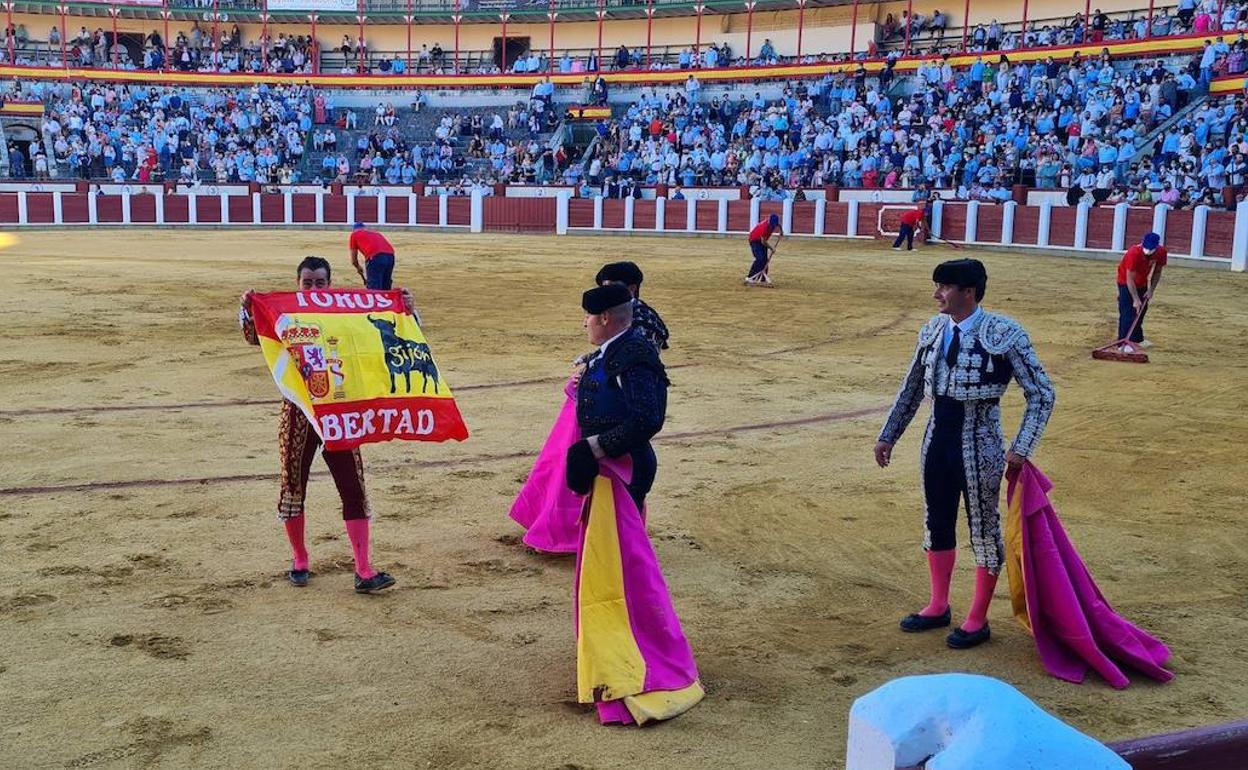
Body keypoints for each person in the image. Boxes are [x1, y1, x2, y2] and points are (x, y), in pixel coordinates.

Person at [874, 259, 1056, 650]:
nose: (936, 294)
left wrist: (1021, 449)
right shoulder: (934, 330)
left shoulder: (1005, 334)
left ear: (968, 292)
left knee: (983, 529)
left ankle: (978, 617)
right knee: (936, 520)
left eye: (944, 287)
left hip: (982, 442)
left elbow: (1042, 393)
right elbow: (911, 390)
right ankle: (938, 604)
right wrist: (888, 435)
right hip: (937, 439)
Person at [564, 283, 702, 725]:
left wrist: (597, 448)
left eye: (588, 317)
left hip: (620, 472)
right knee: (617, 569)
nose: (585, 323)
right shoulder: (616, 351)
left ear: (605, 318)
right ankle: (624, 650)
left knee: (617, 574)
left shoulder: (634, 354)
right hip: (614, 471)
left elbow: (647, 418)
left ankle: (635, 662)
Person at [239, 256, 418, 593]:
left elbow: (384, 334)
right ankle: (300, 558)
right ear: (298, 284)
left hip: (339, 410)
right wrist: (249, 309)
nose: (314, 288)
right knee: (293, 487)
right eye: (307, 283)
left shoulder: (344, 314)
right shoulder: (285, 313)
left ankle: (364, 570)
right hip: (299, 411)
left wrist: (406, 310)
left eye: (320, 283)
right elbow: (254, 337)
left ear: (330, 285)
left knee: (353, 488)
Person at [1116, 232, 1166, 350]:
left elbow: (1157, 272)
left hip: (1142, 283)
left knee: (1141, 311)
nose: (1148, 250)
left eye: (1151, 248)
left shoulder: (1161, 252)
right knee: (1128, 312)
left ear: (1156, 246)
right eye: (1146, 247)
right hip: (1125, 283)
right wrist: (1135, 299)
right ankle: (1123, 343)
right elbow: (1129, 278)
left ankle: (1137, 338)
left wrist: (1151, 290)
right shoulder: (1134, 253)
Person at [348, 222, 396, 290]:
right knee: (386, 284)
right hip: (391, 256)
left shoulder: (354, 234)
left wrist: (358, 267)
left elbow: (354, 260)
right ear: (365, 228)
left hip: (376, 257)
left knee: (374, 287)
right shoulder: (376, 233)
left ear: (354, 230)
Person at [745, 213, 781, 284]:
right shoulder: (764, 227)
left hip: (761, 241)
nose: (772, 226)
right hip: (754, 240)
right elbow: (763, 242)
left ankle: (762, 278)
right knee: (760, 259)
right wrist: (771, 248)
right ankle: (750, 277)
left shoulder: (774, 223)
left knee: (765, 260)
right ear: (769, 221)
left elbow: (778, 225)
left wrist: (781, 231)